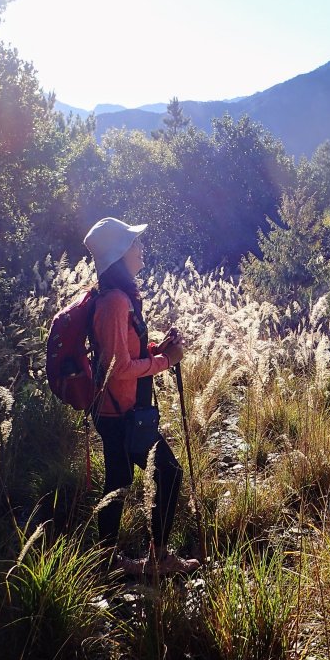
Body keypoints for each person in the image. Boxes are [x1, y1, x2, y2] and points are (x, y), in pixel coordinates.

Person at [83, 216, 200, 577]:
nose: (141, 249)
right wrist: (166, 360)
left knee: (118, 480)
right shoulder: (116, 301)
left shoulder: (114, 297)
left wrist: (155, 347)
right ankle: (159, 558)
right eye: (135, 244)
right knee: (169, 473)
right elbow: (120, 368)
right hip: (123, 412)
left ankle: (106, 561)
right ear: (120, 254)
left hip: (113, 409)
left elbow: (121, 352)